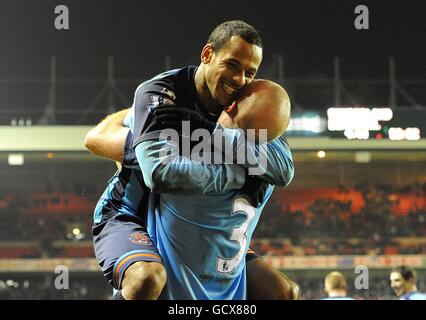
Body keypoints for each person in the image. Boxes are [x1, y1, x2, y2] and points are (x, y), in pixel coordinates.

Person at [85, 20, 296, 299]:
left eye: (249, 72)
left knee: (282, 291)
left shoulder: (247, 102)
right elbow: (156, 172)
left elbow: (284, 168)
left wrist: (208, 132)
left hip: (196, 228)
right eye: (232, 64)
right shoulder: (163, 93)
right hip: (131, 212)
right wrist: (242, 170)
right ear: (207, 54)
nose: (239, 79)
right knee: (148, 279)